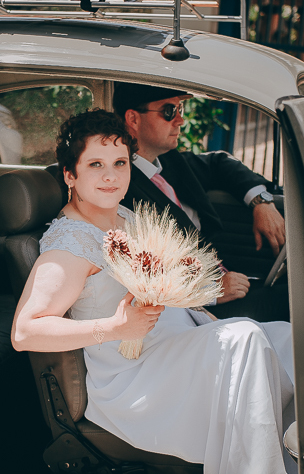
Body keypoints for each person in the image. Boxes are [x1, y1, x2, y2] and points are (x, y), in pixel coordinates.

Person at [11, 109, 299, 474]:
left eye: (120, 163)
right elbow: (25, 332)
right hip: (131, 373)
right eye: (95, 165)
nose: (111, 176)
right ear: (70, 174)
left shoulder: (123, 216)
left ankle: (295, 461)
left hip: (172, 341)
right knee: (244, 339)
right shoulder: (70, 244)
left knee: (284, 335)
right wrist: (114, 325)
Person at [113, 83, 287, 318]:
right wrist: (211, 290)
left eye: (179, 109)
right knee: (294, 304)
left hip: (223, 274)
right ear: (133, 119)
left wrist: (260, 201)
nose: (180, 120)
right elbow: (145, 267)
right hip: (190, 306)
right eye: (168, 112)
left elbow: (220, 163)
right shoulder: (120, 189)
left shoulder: (169, 161)